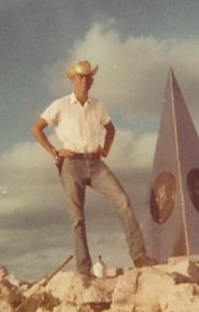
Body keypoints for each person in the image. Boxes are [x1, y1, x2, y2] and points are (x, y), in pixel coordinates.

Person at [31, 60, 157, 276]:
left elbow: (111, 129)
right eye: (80, 77)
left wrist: (105, 149)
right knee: (77, 218)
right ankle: (84, 268)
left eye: (88, 77)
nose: (85, 81)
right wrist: (54, 151)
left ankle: (139, 256)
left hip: (96, 163)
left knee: (123, 202)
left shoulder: (98, 105)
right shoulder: (59, 105)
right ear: (72, 80)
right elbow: (37, 128)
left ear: (92, 80)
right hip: (71, 165)